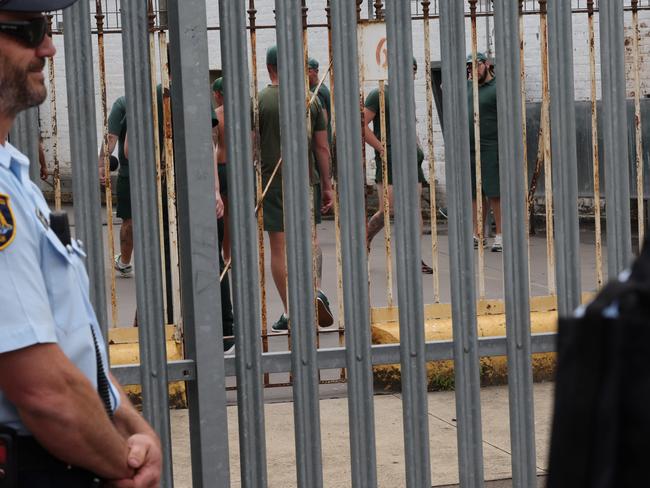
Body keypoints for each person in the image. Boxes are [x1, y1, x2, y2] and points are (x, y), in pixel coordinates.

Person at [0, 2, 162, 486]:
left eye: (45, 29)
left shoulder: (16, 178)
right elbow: (44, 392)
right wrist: (126, 465)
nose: (48, 47)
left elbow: (71, 346)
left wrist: (133, 426)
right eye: (29, 31)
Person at [257, 46, 335, 333]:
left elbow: (253, 145)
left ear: (269, 68)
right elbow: (322, 147)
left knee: (279, 247)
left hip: (273, 182)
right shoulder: (310, 99)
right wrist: (327, 185)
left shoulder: (261, 101)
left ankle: (291, 312)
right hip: (306, 181)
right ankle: (314, 290)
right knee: (309, 239)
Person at [363, 56, 434, 274]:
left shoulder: (408, 96)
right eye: (408, 69)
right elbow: (361, 125)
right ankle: (363, 239)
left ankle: (414, 257)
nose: (412, 74)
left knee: (414, 210)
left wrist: (418, 151)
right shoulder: (380, 94)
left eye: (414, 70)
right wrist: (381, 148)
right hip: (391, 158)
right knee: (389, 210)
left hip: (412, 157)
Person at [467, 52, 502, 252]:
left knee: (494, 192)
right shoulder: (468, 88)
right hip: (471, 148)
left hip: (491, 145)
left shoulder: (496, 88)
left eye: (476, 65)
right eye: (469, 67)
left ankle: (500, 236)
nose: (473, 70)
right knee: (475, 193)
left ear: (486, 64)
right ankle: (478, 234)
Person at [99, 94, 134, 277]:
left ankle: (125, 263)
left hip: (130, 173)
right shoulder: (161, 97)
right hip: (163, 170)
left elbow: (111, 138)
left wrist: (102, 164)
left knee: (129, 220)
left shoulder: (123, 102)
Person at [212, 77, 232, 263]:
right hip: (240, 169)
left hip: (222, 166)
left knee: (225, 216)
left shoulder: (217, 115)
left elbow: (213, 144)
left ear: (218, 94)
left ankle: (226, 256)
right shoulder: (243, 111)